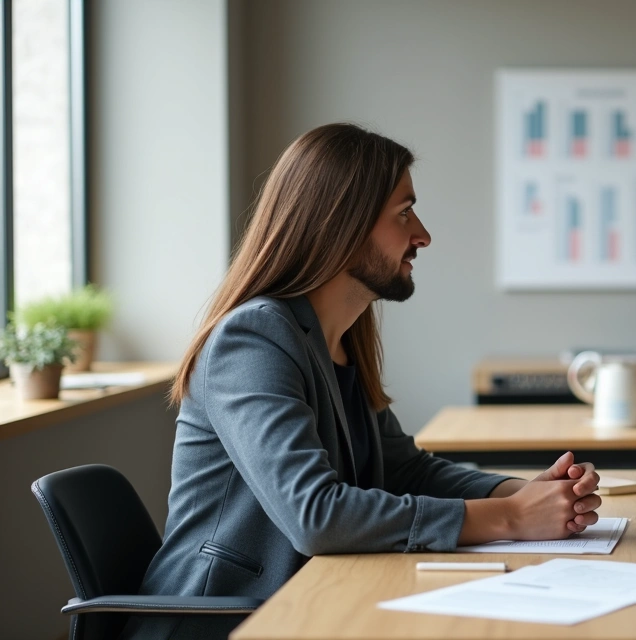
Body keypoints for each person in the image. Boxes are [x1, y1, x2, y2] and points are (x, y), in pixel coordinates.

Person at [122, 123, 601, 640]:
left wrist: (526, 493)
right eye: (404, 212)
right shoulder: (252, 339)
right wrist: (508, 518)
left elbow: (405, 470)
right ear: (341, 225)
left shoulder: (340, 337)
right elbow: (315, 515)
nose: (422, 235)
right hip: (222, 620)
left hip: (309, 602)